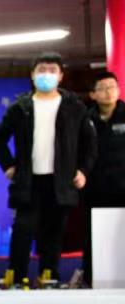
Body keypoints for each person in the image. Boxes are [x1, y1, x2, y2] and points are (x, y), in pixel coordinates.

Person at [0, 52, 96, 288]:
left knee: (54, 232)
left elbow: (90, 144)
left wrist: (83, 171)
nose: (46, 75)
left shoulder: (75, 107)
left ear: (60, 76)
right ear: (32, 75)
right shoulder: (21, 107)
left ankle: (48, 276)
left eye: (52, 70)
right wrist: (8, 165)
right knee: (23, 230)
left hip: (61, 181)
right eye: (41, 70)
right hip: (28, 180)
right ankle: (16, 277)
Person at [83, 71, 125, 285]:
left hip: (123, 187)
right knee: (94, 236)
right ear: (93, 94)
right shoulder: (85, 120)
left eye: (112, 87)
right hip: (95, 188)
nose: (109, 92)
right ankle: (90, 280)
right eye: (103, 88)